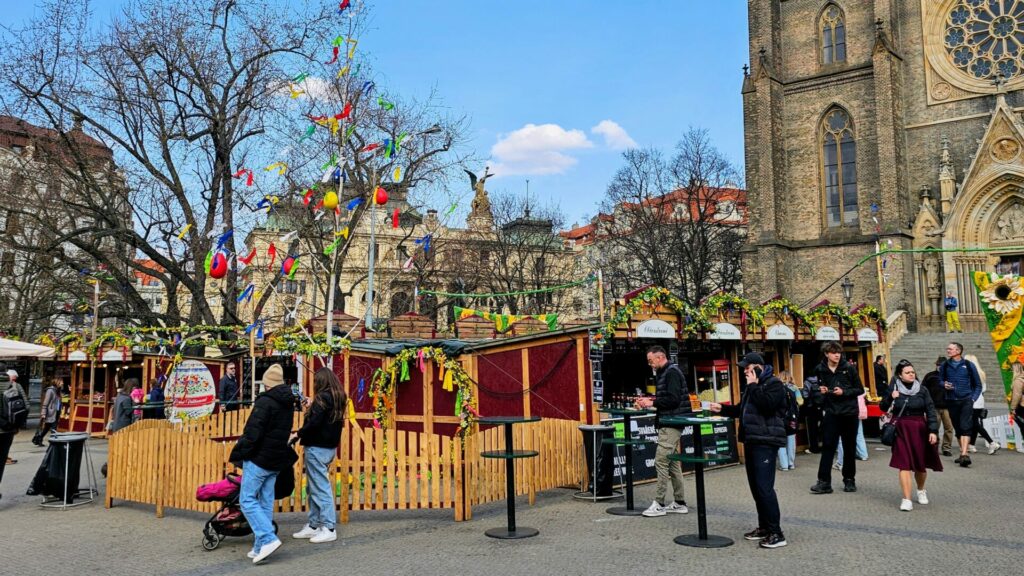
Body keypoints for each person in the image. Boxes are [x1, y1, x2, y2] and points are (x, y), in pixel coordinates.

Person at [709, 352, 789, 549]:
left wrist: (753, 386)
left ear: (758, 367)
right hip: (752, 439)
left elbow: (767, 406)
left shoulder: (774, 384)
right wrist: (723, 409)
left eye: (747, 368)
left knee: (764, 488)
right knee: (756, 488)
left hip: (766, 441)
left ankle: (777, 533)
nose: (745, 371)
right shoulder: (752, 386)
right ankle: (764, 527)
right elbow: (743, 409)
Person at [229, 364, 297, 564]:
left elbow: (252, 432)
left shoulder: (265, 402)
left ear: (267, 384)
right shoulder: (288, 402)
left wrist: (241, 451)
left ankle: (268, 538)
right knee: (265, 501)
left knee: (247, 500)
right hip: (276, 459)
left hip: (259, 458)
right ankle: (260, 545)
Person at [291, 368, 346, 544]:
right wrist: (312, 404)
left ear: (320, 382)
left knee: (320, 488)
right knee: (313, 487)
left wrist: (298, 434)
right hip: (329, 448)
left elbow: (314, 423)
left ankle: (329, 528)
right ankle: (314, 525)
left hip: (316, 447)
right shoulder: (338, 397)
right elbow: (324, 417)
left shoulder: (322, 398)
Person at [634, 345, 690, 517]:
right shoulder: (666, 372)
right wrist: (649, 401)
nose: (650, 364)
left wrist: (652, 402)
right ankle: (679, 502)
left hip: (672, 422)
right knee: (673, 464)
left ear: (660, 357)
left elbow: (673, 400)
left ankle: (659, 503)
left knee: (661, 461)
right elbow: (668, 398)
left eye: (651, 360)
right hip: (671, 421)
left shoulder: (671, 372)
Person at [880, 360, 943, 511]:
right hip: (900, 429)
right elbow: (883, 407)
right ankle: (906, 499)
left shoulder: (922, 389)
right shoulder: (894, 388)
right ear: (900, 375)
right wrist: (891, 397)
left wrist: (933, 431)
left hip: (919, 428)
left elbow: (930, 410)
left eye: (912, 372)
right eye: (907, 372)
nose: (911, 374)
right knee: (904, 464)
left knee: (920, 466)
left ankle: (921, 489)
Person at [809, 341, 865, 494]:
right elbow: (816, 390)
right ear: (826, 354)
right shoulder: (820, 369)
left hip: (849, 412)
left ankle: (849, 479)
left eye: (839, 353)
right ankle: (824, 482)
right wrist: (821, 391)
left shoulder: (849, 368)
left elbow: (859, 389)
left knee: (849, 447)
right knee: (828, 447)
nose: (837, 355)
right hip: (831, 412)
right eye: (834, 353)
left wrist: (844, 392)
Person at [940, 342, 982, 467]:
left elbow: (978, 385)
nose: (948, 350)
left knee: (965, 426)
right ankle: (963, 453)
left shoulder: (968, 365)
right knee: (958, 428)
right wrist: (944, 384)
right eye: (947, 348)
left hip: (966, 400)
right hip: (951, 400)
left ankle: (964, 454)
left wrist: (973, 399)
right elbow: (940, 380)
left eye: (950, 349)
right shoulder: (945, 365)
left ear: (958, 351)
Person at [0, 362, 29, 500]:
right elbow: (26, 407)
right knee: (1, 461)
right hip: (8, 431)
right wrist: (16, 425)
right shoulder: (15, 386)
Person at [963, 354, 1000, 455]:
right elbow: (983, 389)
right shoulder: (981, 373)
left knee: (975, 424)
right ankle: (972, 445)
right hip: (980, 401)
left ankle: (991, 442)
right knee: (975, 423)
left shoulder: (969, 373)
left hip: (971, 401)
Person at [922, 356, 955, 456]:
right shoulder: (930, 376)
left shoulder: (951, 376)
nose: (939, 367)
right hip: (934, 407)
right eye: (938, 365)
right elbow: (923, 390)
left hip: (948, 407)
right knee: (933, 428)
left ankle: (946, 448)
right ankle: (934, 446)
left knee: (949, 428)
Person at [776, 371, 799, 471]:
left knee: (781, 441)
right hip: (792, 419)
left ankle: (784, 465)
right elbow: (800, 401)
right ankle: (791, 463)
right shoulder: (794, 388)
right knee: (791, 441)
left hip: (780, 418)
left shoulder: (776, 389)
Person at [33, 378, 62, 446]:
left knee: (46, 428)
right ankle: (53, 443)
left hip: (56, 412)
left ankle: (39, 439)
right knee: (54, 428)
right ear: (57, 382)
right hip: (50, 413)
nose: (62, 383)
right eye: (61, 382)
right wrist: (43, 413)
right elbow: (45, 403)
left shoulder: (58, 390)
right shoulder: (50, 391)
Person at [801, 375, 823, 454]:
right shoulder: (821, 380)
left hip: (811, 407)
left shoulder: (807, 382)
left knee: (813, 428)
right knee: (824, 427)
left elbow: (805, 395)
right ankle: (826, 446)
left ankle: (814, 448)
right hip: (822, 406)